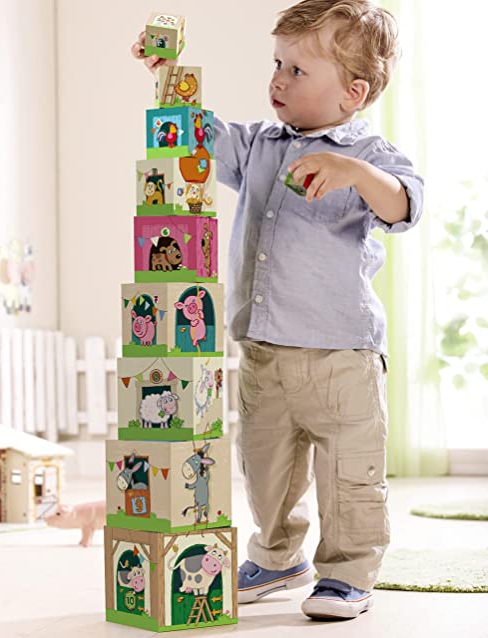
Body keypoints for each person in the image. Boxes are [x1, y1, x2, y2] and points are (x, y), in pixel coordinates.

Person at [132, 0, 423, 621]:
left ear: (354, 91)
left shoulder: (372, 157)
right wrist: (165, 70)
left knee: (349, 474)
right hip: (263, 347)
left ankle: (347, 573)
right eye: (277, 64)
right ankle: (277, 554)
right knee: (266, 466)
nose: (278, 80)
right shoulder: (260, 145)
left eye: (297, 70)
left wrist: (354, 172)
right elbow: (197, 130)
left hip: (340, 351)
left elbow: (403, 205)